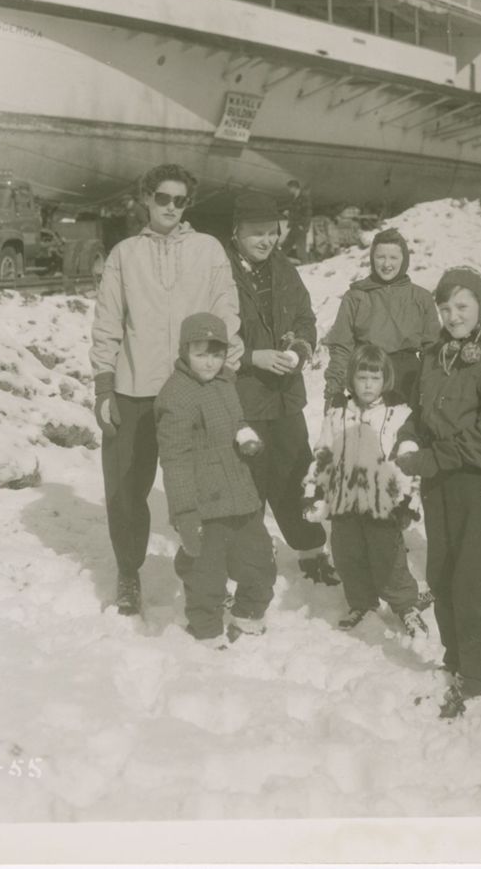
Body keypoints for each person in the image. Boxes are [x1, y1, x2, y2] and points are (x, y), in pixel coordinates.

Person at [90, 164, 242, 617]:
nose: (171, 207)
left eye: (180, 200)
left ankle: (209, 571)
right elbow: (107, 322)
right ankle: (128, 573)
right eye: (162, 198)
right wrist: (103, 386)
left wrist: (224, 375)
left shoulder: (209, 250)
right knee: (125, 488)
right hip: (134, 389)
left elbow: (226, 313)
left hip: (192, 389)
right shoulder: (124, 255)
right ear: (146, 199)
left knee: (205, 487)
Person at [397, 267, 481, 719]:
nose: (453, 316)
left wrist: (431, 459)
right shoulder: (434, 356)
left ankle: (477, 670)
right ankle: (455, 656)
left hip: (476, 485)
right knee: (443, 571)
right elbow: (420, 413)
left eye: (462, 307)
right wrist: (408, 438)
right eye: (445, 308)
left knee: (477, 579)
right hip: (438, 485)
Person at [227, 190, 339, 585]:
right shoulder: (220, 272)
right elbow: (208, 335)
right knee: (250, 483)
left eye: (271, 232)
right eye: (256, 233)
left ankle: (311, 552)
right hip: (244, 399)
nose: (266, 240)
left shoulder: (283, 269)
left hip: (286, 397)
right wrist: (250, 357)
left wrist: (299, 349)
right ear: (236, 232)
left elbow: (305, 317)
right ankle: (251, 559)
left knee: (296, 475)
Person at [155, 313, 276, 647]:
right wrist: (185, 513)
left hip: (238, 491)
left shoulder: (225, 382)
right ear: (184, 352)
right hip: (203, 502)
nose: (209, 362)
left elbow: (234, 419)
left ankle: (248, 614)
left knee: (259, 557)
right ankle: (205, 629)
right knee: (206, 573)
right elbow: (175, 461)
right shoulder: (176, 396)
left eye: (216, 353)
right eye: (200, 353)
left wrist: (245, 435)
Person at [303, 344, 427, 636]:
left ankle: (405, 605)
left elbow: (408, 461)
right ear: (351, 379)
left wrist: (408, 501)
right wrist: (315, 494)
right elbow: (323, 452)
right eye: (362, 378)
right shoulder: (337, 414)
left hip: (383, 500)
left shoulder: (399, 414)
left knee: (389, 556)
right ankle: (360, 602)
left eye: (375, 378)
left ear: (386, 380)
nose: (368, 385)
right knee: (348, 554)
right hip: (344, 499)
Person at [324, 228, 441, 409]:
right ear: (372, 258)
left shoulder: (421, 298)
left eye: (393, 257)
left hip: (408, 377)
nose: (387, 264)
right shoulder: (356, 296)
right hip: (368, 373)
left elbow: (432, 349)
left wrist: (431, 387)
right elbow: (341, 346)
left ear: (404, 260)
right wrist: (334, 389)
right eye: (380, 257)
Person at [280, 179, 312, 264]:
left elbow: (307, 213)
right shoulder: (295, 199)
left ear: (294, 188)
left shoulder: (303, 198)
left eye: (290, 188)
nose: (289, 190)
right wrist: (288, 213)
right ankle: (277, 263)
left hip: (300, 227)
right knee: (285, 246)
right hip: (294, 226)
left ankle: (306, 266)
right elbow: (296, 212)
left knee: (301, 250)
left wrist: (304, 226)